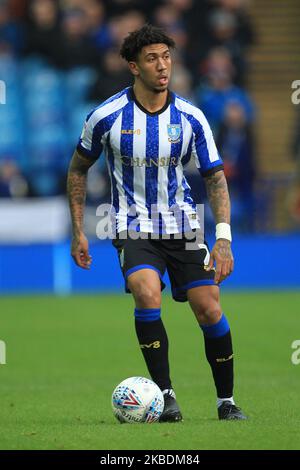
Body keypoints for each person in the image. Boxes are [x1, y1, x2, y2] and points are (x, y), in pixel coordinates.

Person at [67, 24, 247, 422]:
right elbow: (78, 169)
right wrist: (79, 228)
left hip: (183, 226)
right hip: (132, 227)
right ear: (134, 66)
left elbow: (215, 178)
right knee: (147, 293)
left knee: (209, 309)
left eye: (166, 56)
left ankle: (226, 402)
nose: (162, 65)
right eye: (152, 58)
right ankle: (165, 397)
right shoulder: (106, 116)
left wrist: (223, 238)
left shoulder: (192, 118)